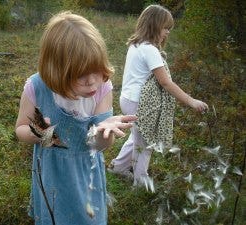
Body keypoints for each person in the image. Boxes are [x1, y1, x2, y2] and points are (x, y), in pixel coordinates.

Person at [15, 11, 137, 225]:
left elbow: (98, 145)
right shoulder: (37, 88)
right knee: (54, 216)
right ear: (56, 71)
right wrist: (40, 133)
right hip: (51, 172)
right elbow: (21, 129)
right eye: (81, 74)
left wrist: (103, 133)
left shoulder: (101, 89)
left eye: (97, 71)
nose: (92, 82)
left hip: (85, 174)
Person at [108, 4, 208, 186]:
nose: (167, 33)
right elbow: (165, 82)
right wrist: (191, 101)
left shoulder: (136, 45)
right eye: (165, 28)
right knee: (145, 145)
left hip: (128, 99)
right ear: (154, 25)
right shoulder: (150, 50)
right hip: (140, 102)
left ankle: (117, 168)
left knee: (137, 137)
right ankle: (141, 182)